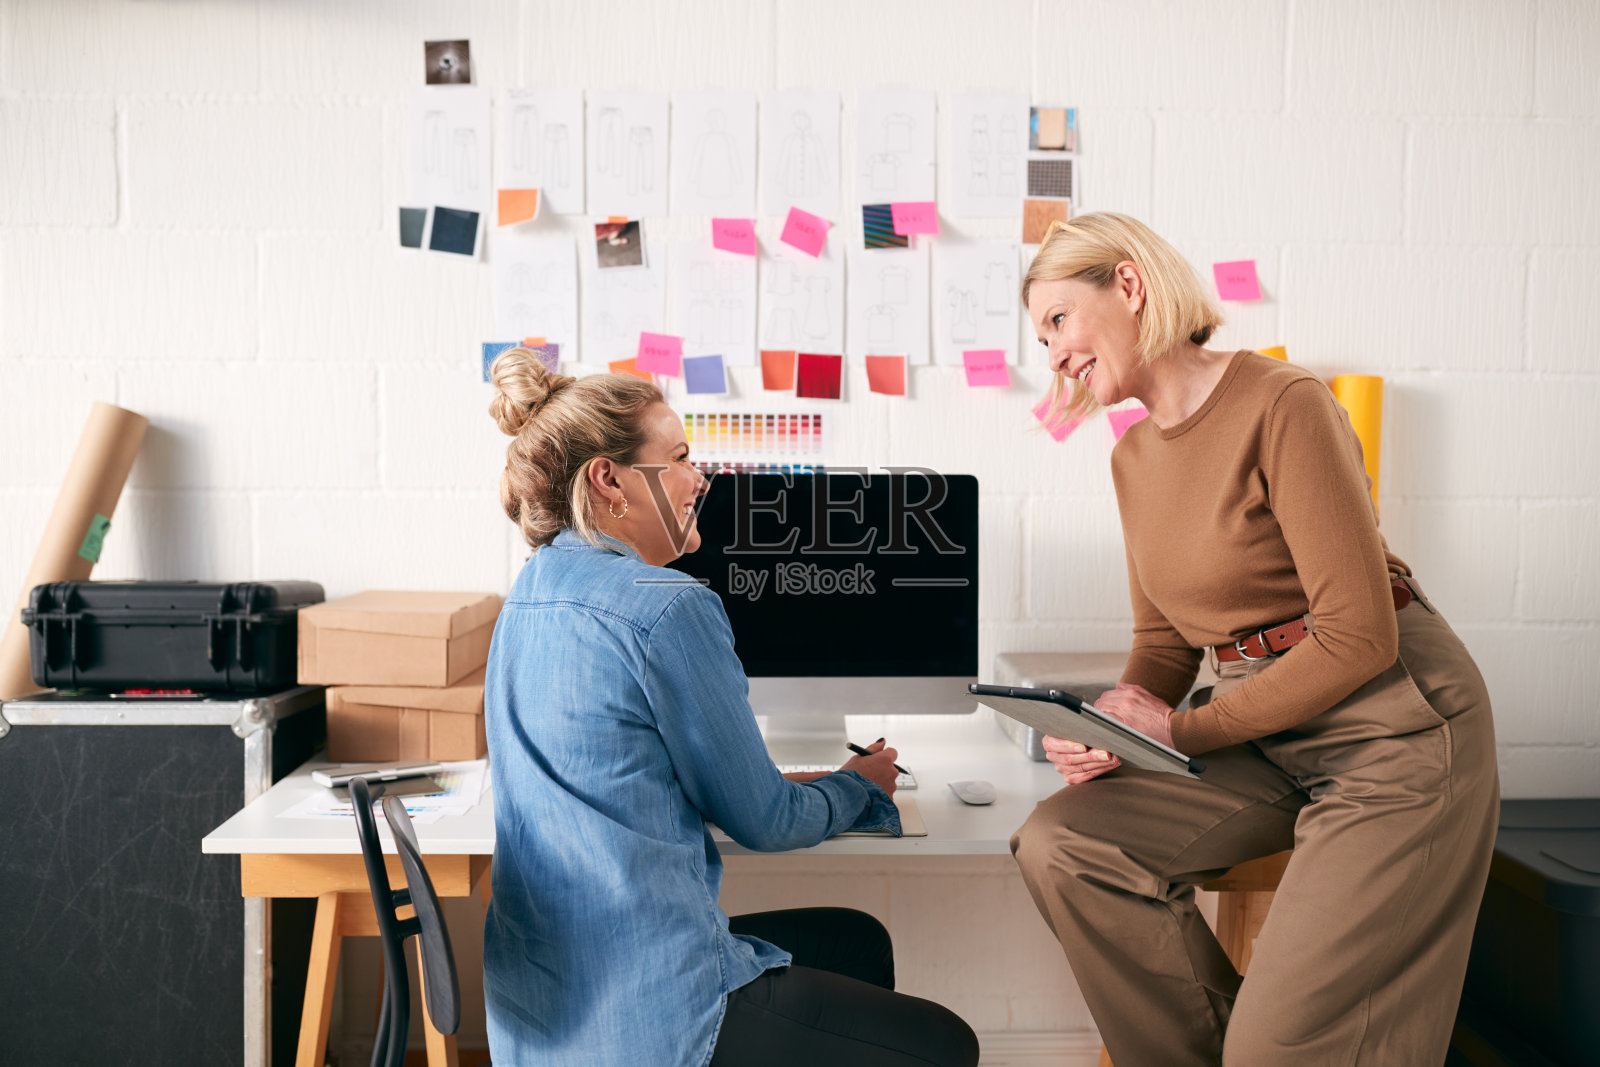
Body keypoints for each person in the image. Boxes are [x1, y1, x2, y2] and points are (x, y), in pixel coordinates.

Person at [1010, 214, 1499, 1066]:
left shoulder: (1283, 403)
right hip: (1264, 733)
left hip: (1395, 731)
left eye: (1057, 320)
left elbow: (1358, 638)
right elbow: (1164, 640)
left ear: (1127, 286)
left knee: (1275, 1050)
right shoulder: (1132, 461)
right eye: (1039, 335)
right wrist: (1117, 725)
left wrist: (1179, 730)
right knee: (1064, 844)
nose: (1051, 353)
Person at [480, 347, 980, 1067]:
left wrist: (798, 784)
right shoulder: (666, 606)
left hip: (543, 1017)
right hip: (652, 1017)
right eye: (679, 456)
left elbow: (630, 773)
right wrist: (856, 788)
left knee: (854, 941)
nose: (699, 476)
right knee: (944, 1044)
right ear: (609, 479)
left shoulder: (525, 597)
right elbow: (766, 822)